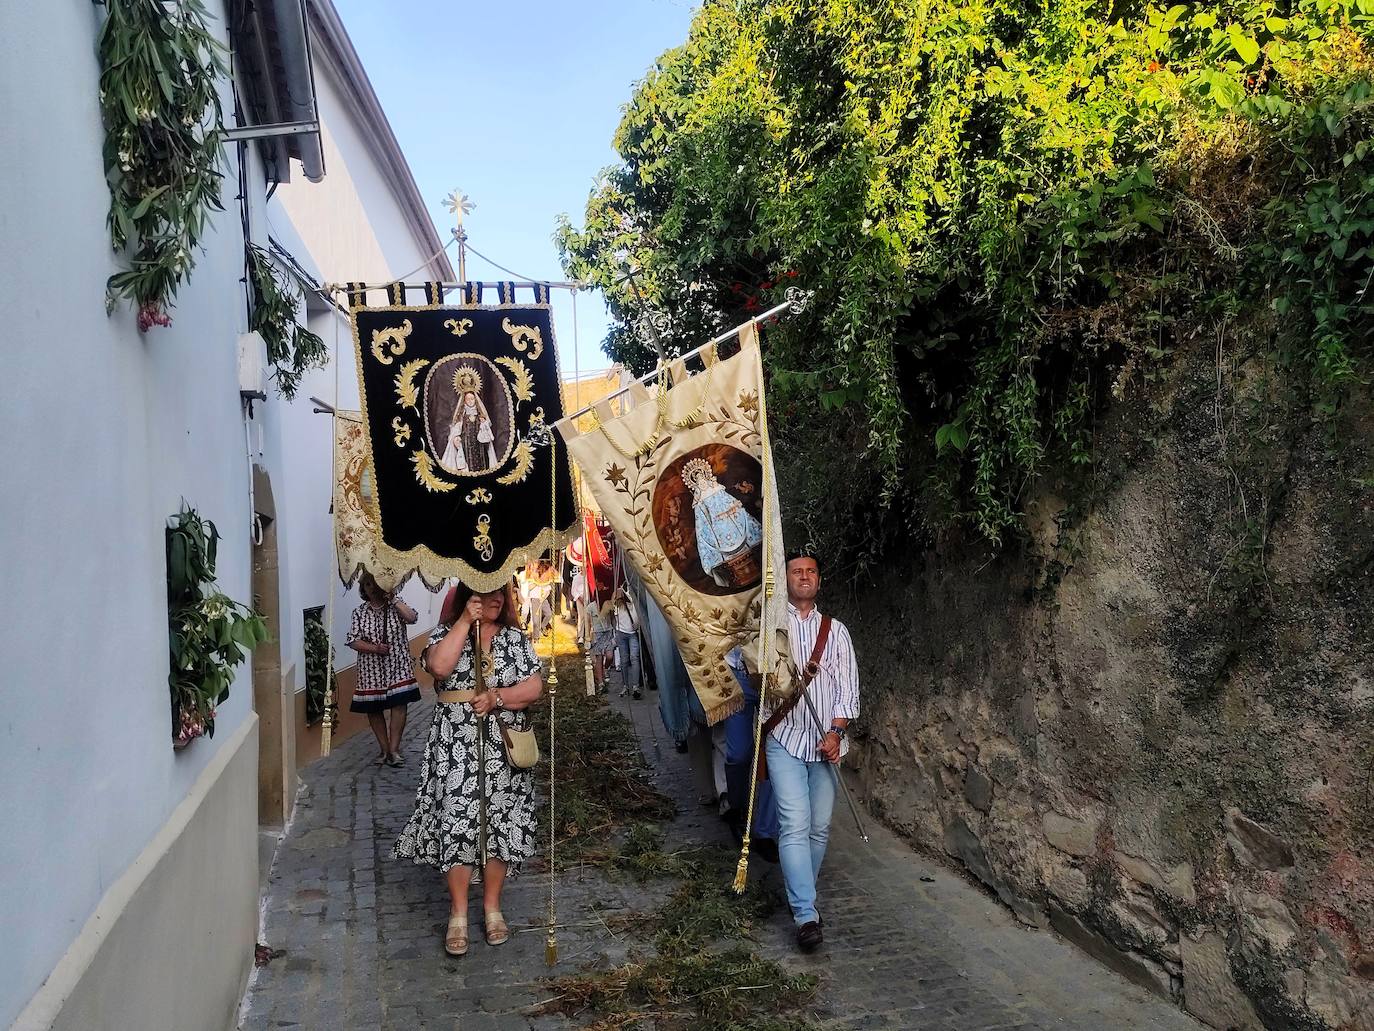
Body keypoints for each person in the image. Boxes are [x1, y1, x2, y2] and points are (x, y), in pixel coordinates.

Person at [393, 582, 543, 956]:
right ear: (466, 597)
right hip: (455, 746)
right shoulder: (445, 632)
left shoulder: (515, 639)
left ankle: (492, 906)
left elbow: (534, 686)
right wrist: (464, 621)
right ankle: (458, 913)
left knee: (500, 824)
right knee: (457, 822)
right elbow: (440, 668)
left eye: (500, 593)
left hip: (502, 745)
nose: (495, 600)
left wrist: (498, 697)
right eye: (485, 593)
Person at [763, 551, 859, 952]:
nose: (804, 577)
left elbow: (848, 689)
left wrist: (836, 733)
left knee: (819, 826)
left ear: (819, 580)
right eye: (796, 571)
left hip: (825, 742)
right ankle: (805, 913)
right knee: (794, 822)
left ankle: (802, 892)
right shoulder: (770, 629)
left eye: (811, 571)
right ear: (786, 580)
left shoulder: (836, 632)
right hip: (784, 736)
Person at [345, 572, 420, 767]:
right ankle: (384, 749)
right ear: (364, 590)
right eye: (368, 585)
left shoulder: (396, 606)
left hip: (398, 664)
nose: (373, 588)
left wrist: (394, 600)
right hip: (371, 670)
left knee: (399, 704)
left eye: (375, 583)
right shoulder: (359, 613)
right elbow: (353, 641)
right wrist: (374, 648)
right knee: (374, 708)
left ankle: (394, 750)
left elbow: (412, 617)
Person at [440, 371, 497, 473]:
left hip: (480, 446)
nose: (471, 401)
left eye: (472, 399)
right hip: (466, 446)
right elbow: (456, 430)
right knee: (468, 467)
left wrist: (484, 425)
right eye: (468, 399)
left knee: (482, 466)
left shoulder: (480, 416)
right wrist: (456, 437)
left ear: (475, 399)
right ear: (464, 401)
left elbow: (487, 432)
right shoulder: (461, 416)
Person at [610, 586, 642, 700]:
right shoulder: (616, 606)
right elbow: (613, 618)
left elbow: (637, 615)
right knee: (624, 660)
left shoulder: (630, 602)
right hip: (621, 634)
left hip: (632, 633)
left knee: (634, 658)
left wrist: (637, 625)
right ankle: (625, 685)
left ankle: (635, 686)